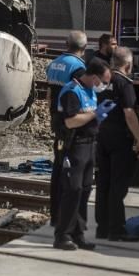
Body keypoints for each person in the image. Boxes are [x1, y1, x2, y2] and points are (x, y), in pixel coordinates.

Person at [54, 58, 111, 251]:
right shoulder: (72, 91)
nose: (104, 86)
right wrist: (95, 115)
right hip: (74, 145)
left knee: (85, 189)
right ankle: (62, 235)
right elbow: (70, 121)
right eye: (103, 82)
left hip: (89, 145)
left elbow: (88, 116)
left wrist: (100, 116)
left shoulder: (89, 91)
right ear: (94, 78)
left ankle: (78, 233)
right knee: (72, 190)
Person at [94, 47, 139, 242]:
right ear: (129, 65)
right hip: (119, 140)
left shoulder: (102, 82)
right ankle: (117, 229)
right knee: (118, 184)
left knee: (103, 182)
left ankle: (102, 227)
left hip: (102, 136)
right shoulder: (124, 84)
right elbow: (129, 113)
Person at [46, 30, 88, 222]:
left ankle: (55, 213)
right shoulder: (78, 68)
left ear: (66, 44)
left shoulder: (54, 63)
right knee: (70, 168)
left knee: (58, 165)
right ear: (85, 48)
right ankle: (66, 214)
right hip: (70, 121)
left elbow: (49, 93)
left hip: (56, 118)